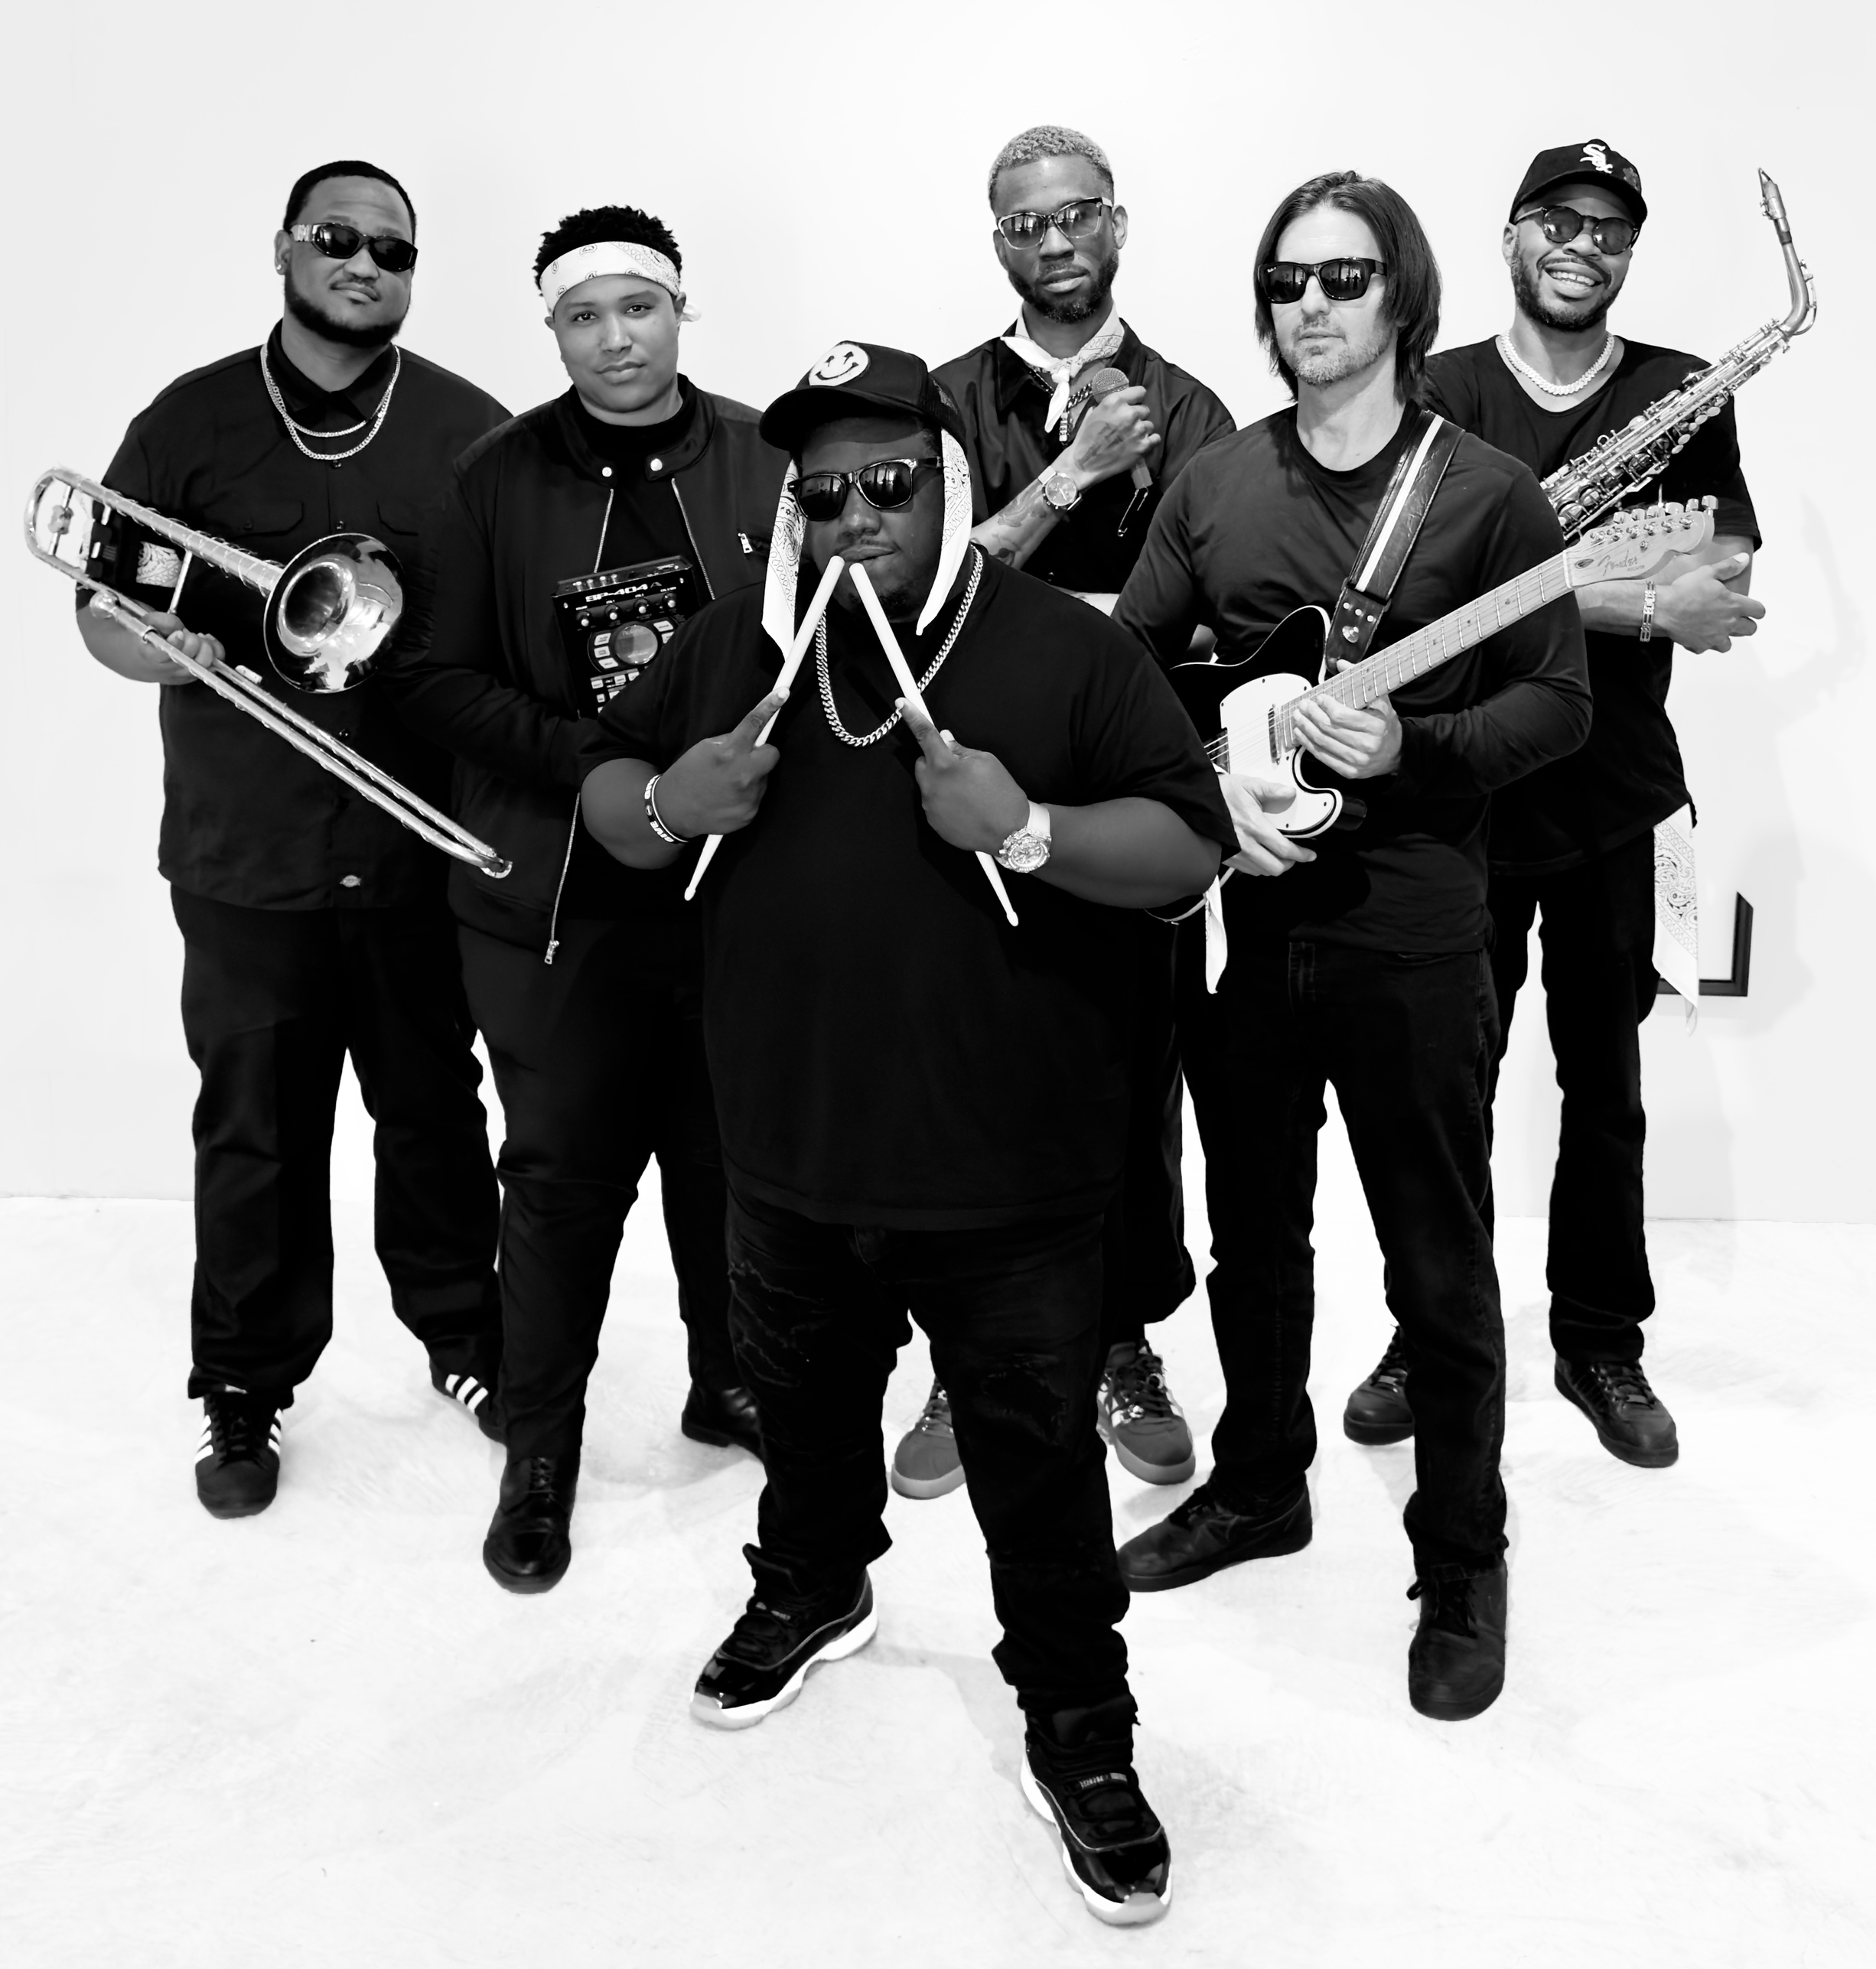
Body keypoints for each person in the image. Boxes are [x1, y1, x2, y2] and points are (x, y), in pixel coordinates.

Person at [580, 343, 1233, 1924]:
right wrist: (668, 805)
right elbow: (601, 792)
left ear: (947, 486)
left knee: (1036, 1471)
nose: (851, 516)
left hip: (1007, 1171)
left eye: (886, 483)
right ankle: (815, 1587)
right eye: (820, 495)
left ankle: (1077, 1722)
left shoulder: (1063, 649)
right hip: (785, 1152)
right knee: (803, 1416)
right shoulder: (740, 647)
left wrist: (1029, 829)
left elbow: (1189, 848)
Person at [1112, 173, 1593, 1722]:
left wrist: (1411, 748)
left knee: (1437, 1260)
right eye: (1284, 280)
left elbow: (1557, 705)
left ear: (1402, 296)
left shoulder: (1487, 493)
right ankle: (1261, 1481)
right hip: (1246, 927)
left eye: (1341, 277)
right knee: (1252, 1235)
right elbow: (1125, 678)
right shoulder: (1215, 482)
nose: (1307, 305)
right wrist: (1205, 793)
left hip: (1411, 932)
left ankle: (1463, 1557)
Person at [77, 161, 508, 1519]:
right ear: (284, 247)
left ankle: (468, 1339)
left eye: (394, 248)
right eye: (338, 237)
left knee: (433, 1109)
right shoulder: (191, 421)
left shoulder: (468, 430)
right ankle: (243, 1381)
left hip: (414, 847)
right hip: (245, 855)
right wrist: (164, 650)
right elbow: (100, 611)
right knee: (255, 1127)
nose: (365, 263)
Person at [1340, 142, 1764, 1469]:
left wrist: (1546, 584)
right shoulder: (1438, 390)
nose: (1584, 246)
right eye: (1558, 221)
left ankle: (1600, 1338)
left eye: (1611, 229)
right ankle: (1430, 1329)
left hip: (1616, 801)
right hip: (1461, 791)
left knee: (1608, 1085)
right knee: (1444, 1089)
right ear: (1513, 234)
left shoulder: (1681, 391)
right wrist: (1625, 595)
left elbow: (1722, 574)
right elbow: (1411, 600)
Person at [387, 207, 785, 1594]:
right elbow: (430, 678)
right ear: (552, 332)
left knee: (727, 1160)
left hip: (730, 891)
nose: (616, 340)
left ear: (682, 310)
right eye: (583, 317)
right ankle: (540, 1445)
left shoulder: (766, 458)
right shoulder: (490, 479)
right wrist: (598, 766)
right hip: (556, 898)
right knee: (561, 1182)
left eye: (639, 308)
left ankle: (728, 1379)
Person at [895, 125, 1238, 1502]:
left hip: (1126, 798)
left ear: (1118, 224)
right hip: (961, 794)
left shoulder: (1196, 409)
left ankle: (1118, 1338)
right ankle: (964, 1352)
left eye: (1077, 213)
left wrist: (1084, 621)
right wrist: (1073, 476)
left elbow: (1220, 622)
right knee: (964, 1075)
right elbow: (918, 593)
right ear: (998, 242)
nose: (1054, 240)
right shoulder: (939, 400)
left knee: (1130, 1079)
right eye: (1025, 222)